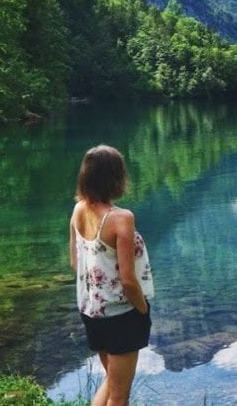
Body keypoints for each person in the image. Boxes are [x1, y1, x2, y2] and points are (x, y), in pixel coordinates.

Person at [69, 144, 155, 406]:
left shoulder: (78, 210)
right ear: (115, 177)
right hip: (121, 315)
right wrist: (142, 310)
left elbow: (75, 262)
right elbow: (128, 280)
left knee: (112, 383)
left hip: (91, 312)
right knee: (119, 395)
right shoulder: (121, 218)